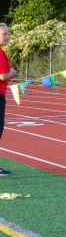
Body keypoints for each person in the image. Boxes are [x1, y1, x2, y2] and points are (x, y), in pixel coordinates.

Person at [0, 24, 18, 176]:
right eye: (4, 33)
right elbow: (3, 76)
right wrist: (11, 73)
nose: (7, 36)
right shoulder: (0, 53)